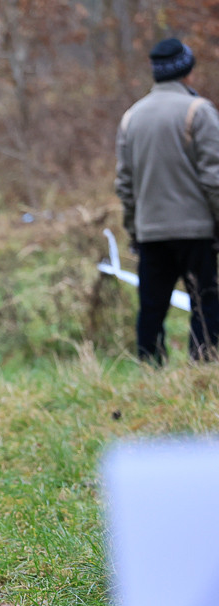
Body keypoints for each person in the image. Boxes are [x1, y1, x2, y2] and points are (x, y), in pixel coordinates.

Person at [115, 37, 219, 364]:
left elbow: (125, 185)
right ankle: (202, 373)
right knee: (205, 306)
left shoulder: (131, 117)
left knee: (151, 309)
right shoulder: (198, 111)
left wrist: (135, 229)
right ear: (187, 70)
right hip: (196, 233)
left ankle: (150, 373)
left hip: (150, 233)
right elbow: (214, 178)